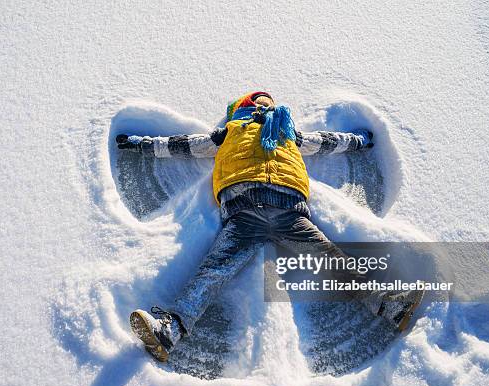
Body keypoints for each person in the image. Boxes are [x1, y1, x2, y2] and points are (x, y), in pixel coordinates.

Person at [117, 91, 423, 362]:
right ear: (243, 108)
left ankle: (389, 307)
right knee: (215, 269)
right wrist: (143, 145)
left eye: (268, 100)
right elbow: (182, 145)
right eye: (257, 100)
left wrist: (356, 141)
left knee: (332, 259)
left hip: (290, 211)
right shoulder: (228, 132)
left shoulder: (288, 131)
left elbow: (325, 141)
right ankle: (170, 329)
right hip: (243, 211)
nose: (265, 103)